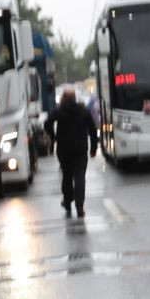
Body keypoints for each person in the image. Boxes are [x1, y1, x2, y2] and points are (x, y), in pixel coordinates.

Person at [45, 86, 98, 217]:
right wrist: (93, 148)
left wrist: (54, 137)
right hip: (80, 149)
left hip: (64, 150)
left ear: (63, 98)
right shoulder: (83, 111)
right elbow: (92, 129)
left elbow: (47, 123)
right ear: (75, 98)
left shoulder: (59, 111)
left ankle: (67, 201)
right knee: (80, 178)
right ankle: (80, 207)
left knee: (67, 176)